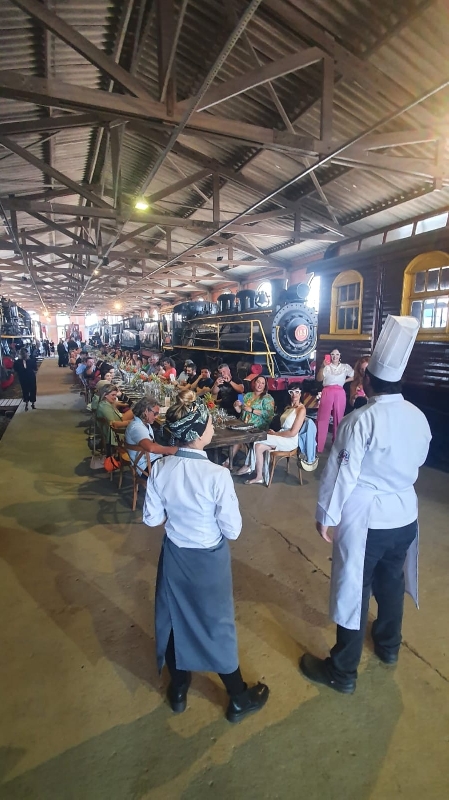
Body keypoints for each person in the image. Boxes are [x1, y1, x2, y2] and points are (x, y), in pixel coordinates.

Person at [299, 316, 432, 695]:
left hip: (368, 520)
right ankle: (388, 646)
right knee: (391, 582)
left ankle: (342, 671)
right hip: (404, 516)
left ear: (368, 381)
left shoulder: (361, 420)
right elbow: (419, 459)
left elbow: (341, 474)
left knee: (354, 589)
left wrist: (326, 516)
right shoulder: (418, 417)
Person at [143, 389, 269, 722]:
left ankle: (178, 689)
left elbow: (152, 519)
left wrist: (179, 518)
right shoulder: (217, 475)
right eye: (210, 422)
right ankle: (238, 697)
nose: (213, 426)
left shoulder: (160, 469)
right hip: (209, 560)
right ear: (199, 433)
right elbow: (233, 530)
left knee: (174, 619)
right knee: (216, 624)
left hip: (175, 555)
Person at [241, 385, 306, 483]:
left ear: (301, 393)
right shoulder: (289, 407)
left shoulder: (301, 409)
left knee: (258, 438)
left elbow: (292, 433)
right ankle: (259, 477)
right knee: (258, 446)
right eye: (291, 392)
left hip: (290, 440)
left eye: (297, 392)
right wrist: (275, 433)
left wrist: (275, 434)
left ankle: (248, 466)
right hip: (282, 435)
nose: (294, 394)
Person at [125, 397, 178, 474]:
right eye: (155, 414)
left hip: (152, 460)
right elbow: (151, 448)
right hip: (146, 467)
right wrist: (172, 450)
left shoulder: (144, 423)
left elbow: (152, 443)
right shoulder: (137, 428)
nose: (156, 417)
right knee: (179, 468)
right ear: (146, 411)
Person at [316, 349, 354, 452]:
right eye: (332, 354)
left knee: (338, 418)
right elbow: (319, 379)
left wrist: (344, 381)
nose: (335, 356)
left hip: (340, 392)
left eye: (337, 354)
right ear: (330, 355)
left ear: (340, 355)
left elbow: (354, 376)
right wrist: (322, 366)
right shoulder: (326, 367)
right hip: (327, 391)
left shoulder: (345, 367)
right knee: (323, 418)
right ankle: (319, 446)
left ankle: (336, 445)